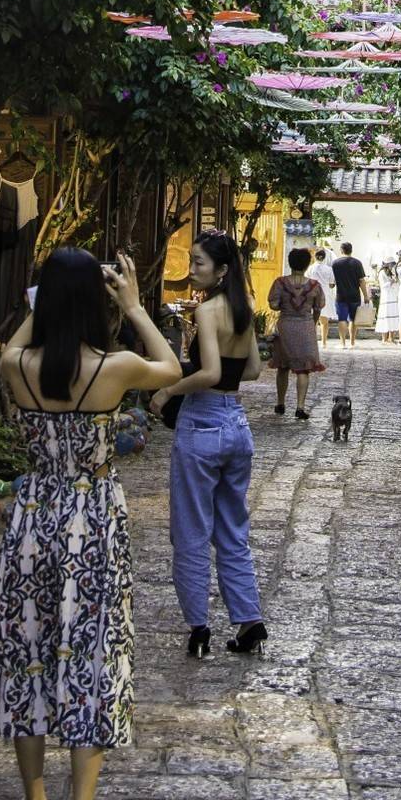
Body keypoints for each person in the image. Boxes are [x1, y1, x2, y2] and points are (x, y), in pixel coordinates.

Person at [0, 247, 180, 800]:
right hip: (91, 519)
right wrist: (136, 305)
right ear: (96, 303)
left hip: (33, 518)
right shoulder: (114, 369)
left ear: (44, 302)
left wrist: (42, 305)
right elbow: (171, 366)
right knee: (92, 658)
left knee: (28, 657)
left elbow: (14, 343)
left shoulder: (17, 367)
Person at [154, 230, 267, 659]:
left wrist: (168, 392)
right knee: (232, 530)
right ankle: (249, 620)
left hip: (202, 423)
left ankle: (198, 627)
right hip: (237, 424)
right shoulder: (244, 310)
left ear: (221, 270)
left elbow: (209, 372)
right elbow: (253, 369)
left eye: (199, 263)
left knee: (191, 530)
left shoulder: (207, 313)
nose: (192, 269)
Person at [267, 247, 326, 419]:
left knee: (283, 366)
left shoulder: (280, 283)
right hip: (305, 326)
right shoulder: (315, 286)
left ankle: (280, 403)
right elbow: (318, 308)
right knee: (304, 369)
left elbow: (274, 305)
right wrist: (312, 322)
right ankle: (300, 407)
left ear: (289, 262)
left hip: (285, 325)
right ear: (307, 265)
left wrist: (286, 305)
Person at [330, 241, 367, 349]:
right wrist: (366, 296)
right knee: (353, 319)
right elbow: (361, 281)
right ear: (351, 250)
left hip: (341, 296)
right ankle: (352, 342)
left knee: (342, 319)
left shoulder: (335, 263)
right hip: (355, 296)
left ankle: (342, 343)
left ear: (341, 250)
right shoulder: (357, 263)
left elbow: (332, 283)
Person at [309, 247, 336, 349]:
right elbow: (332, 283)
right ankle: (324, 342)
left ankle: (313, 341)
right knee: (324, 321)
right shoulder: (329, 269)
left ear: (315, 257)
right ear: (324, 258)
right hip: (325, 294)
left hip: (313, 295)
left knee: (313, 320)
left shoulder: (310, 268)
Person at [374, 257, 401, 344]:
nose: (393, 266)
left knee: (393, 316)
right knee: (385, 317)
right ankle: (384, 339)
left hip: (393, 297)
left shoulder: (392, 272)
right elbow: (383, 285)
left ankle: (391, 338)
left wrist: (395, 280)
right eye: (392, 264)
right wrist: (392, 281)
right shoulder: (382, 273)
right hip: (386, 298)